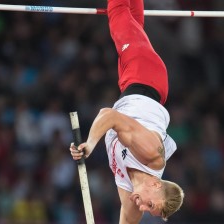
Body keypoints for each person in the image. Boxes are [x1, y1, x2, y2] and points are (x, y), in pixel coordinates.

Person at [70, 0, 184, 222]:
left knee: (132, 19)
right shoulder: (149, 153)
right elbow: (109, 115)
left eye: (147, 210)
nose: (141, 206)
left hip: (130, 85)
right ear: (155, 183)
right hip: (145, 74)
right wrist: (90, 145)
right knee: (118, 13)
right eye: (149, 204)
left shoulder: (133, 197)